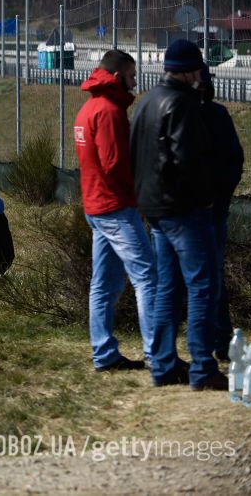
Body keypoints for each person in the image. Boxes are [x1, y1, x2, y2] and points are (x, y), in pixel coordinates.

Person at [130, 39, 226, 391]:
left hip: (153, 208)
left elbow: (135, 156)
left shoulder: (147, 101)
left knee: (167, 289)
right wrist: (204, 200)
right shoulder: (183, 103)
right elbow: (189, 160)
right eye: (198, 69)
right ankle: (203, 368)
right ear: (189, 71)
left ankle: (163, 365)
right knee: (203, 285)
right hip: (184, 210)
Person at [74, 50, 155, 373]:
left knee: (104, 284)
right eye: (133, 75)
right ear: (119, 76)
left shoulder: (88, 109)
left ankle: (104, 353)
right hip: (115, 208)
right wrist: (138, 193)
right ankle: (157, 352)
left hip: (96, 206)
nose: (135, 82)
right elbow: (115, 164)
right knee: (148, 276)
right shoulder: (108, 112)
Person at [198, 67, 244, 361]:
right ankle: (210, 338)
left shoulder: (217, 115)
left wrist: (219, 195)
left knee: (212, 275)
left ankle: (221, 338)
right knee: (204, 276)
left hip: (212, 210)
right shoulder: (184, 113)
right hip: (190, 210)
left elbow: (234, 160)